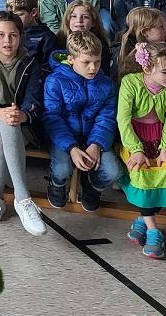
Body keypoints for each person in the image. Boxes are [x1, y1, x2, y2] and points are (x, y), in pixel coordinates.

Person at [0, 12, 47, 235]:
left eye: (13, 35)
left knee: (0, 140)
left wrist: (22, 115)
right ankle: (22, 198)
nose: (7, 41)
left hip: (22, 124)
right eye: (1, 35)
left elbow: (34, 101)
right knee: (5, 124)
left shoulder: (31, 64)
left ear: (21, 37)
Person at [114, 41, 166, 260]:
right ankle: (153, 230)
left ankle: (142, 221)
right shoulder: (130, 82)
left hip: (161, 140)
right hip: (134, 140)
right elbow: (123, 119)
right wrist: (135, 149)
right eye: (165, 71)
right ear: (147, 68)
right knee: (141, 173)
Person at [43, 31, 122, 211]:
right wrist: (71, 147)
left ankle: (92, 187)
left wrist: (96, 144)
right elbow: (52, 117)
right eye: (86, 62)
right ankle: (57, 184)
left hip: (93, 137)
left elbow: (107, 118)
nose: (93, 68)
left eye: (97, 61)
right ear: (71, 59)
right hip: (64, 137)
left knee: (112, 172)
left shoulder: (107, 84)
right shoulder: (55, 81)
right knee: (62, 169)